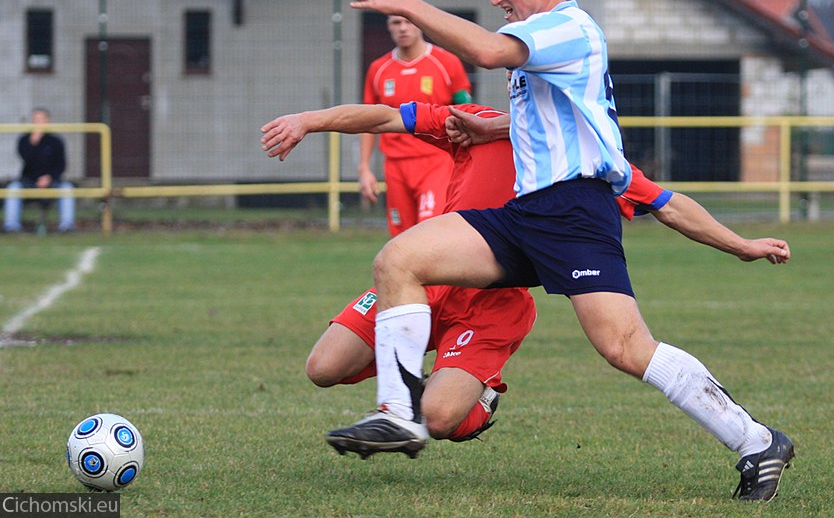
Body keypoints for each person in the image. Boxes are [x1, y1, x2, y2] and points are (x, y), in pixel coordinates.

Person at [326, 0, 794, 502]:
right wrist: (492, 127)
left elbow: (488, 51)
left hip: (575, 214)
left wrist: (408, 6)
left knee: (625, 348)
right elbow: (553, 112)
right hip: (527, 214)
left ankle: (756, 440)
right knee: (400, 258)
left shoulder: (568, 27)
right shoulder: (544, 46)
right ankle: (400, 414)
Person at [262, 102, 791, 461]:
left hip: (491, 303)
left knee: (442, 419)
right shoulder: (474, 122)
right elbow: (384, 117)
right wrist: (309, 120)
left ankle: (475, 394)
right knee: (323, 367)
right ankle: (403, 396)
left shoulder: (585, 164)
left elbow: (669, 205)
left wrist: (742, 244)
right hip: (423, 279)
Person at [359, 15, 473, 236]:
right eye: (395, 23)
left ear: (420, 23)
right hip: (395, 165)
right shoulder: (378, 69)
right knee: (401, 237)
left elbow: (467, 112)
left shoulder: (446, 62)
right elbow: (367, 121)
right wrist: (364, 168)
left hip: (436, 161)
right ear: (388, 27)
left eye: (408, 21)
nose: (403, 28)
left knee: (430, 232)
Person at [4, 108, 76, 233]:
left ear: (47, 121)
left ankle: (66, 226)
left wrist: (49, 178)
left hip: (52, 181)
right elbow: (26, 158)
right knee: (13, 188)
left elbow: (61, 165)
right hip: (29, 181)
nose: (37, 123)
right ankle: (11, 226)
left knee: (67, 188)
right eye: (35, 120)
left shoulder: (56, 141)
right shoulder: (24, 140)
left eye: (40, 120)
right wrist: (33, 142)